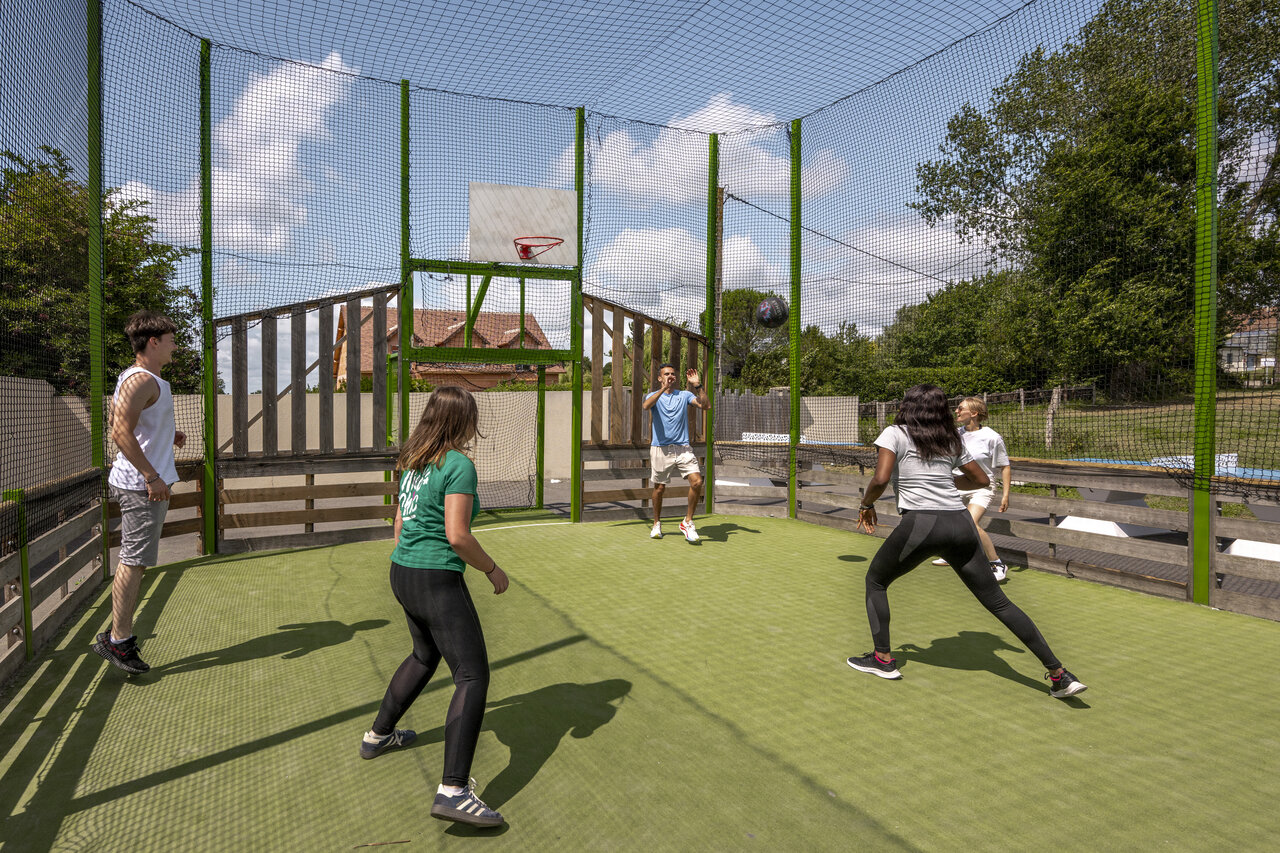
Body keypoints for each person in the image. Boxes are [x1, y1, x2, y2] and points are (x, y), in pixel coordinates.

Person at [848, 384, 1086, 699]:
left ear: (908, 406)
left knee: (876, 581)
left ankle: (882, 660)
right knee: (999, 602)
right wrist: (945, 480)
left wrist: (866, 505)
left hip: (922, 522)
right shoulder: (951, 438)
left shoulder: (894, 432)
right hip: (960, 524)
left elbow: (880, 479)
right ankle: (1059, 674)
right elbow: (980, 480)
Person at [361, 386, 508, 828]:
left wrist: (408, 557)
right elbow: (457, 535)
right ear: (462, 421)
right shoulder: (458, 464)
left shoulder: (413, 461)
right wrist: (492, 569)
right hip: (436, 578)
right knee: (472, 675)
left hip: (402, 571)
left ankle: (378, 735)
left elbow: (400, 522)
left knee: (425, 655)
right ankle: (454, 791)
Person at [93, 311, 185, 675]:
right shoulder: (141, 380)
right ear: (153, 342)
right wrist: (151, 476)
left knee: (136, 560)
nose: (175, 345)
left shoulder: (147, 380)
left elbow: (135, 426)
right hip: (140, 486)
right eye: (171, 339)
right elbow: (119, 432)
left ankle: (120, 636)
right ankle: (119, 641)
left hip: (142, 483)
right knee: (133, 561)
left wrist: (168, 435)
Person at [931, 397, 1012, 582]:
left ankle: (997, 563)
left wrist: (1006, 495)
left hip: (982, 486)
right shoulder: (955, 434)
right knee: (947, 520)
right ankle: (952, 555)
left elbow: (1004, 466)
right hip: (958, 484)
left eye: (960, 408)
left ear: (974, 413)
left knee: (969, 523)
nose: (956, 411)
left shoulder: (992, 437)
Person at [642, 363, 710, 542]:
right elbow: (646, 406)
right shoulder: (653, 396)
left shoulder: (685, 395)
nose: (670, 376)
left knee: (697, 482)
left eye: (672, 374)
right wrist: (663, 389)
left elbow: (706, 406)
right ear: (659, 378)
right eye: (666, 374)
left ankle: (687, 522)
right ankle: (656, 523)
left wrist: (698, 385)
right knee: (659, 488)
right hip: (660, 449)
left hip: (683, 448)